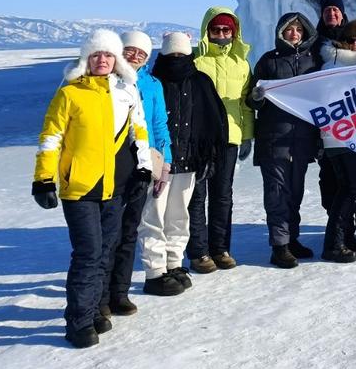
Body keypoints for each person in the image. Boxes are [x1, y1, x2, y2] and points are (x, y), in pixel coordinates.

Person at [32, 29, 152, 348]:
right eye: (96, 54)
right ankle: (78, 321)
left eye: (108, 55)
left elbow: (139, 131)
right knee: (88, 254)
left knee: (106, 251)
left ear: (116, 60)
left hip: (113, 187)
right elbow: (51, 137)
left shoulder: (125, 91)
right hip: (79, 188)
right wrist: (43, 179)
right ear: (86, 58)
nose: (102, 60)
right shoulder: (70, 93)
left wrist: (144, 168)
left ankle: (97, 309)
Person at [143, 31, 228, 295]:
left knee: (179, 217)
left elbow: (214, 120)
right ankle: (155, 270)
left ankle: (174, 264)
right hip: (159, 163)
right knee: (153, 217)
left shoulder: (200, 81)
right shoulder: (154, 81)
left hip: (189, 160)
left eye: (181, 53)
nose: (176, 58)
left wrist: (209, 154)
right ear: (163, 54)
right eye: (172, 54)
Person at [103, 30, 172, 317]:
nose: (135, 56)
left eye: (141, 53)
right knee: (109, 231)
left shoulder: (152, 84)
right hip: (110, 163)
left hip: (144, 162)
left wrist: (164, 163)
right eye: (130, 50)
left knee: (130, 228)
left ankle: (119, 292)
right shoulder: (105, 80)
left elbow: (159, 124)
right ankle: (101, 296)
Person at [248, 11, 322, 269]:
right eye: (289, 29)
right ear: (281, 32)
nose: (294, 34)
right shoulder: (269, 61)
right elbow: (251, 99)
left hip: (301, 139)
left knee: (295, 192)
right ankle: (279, 246)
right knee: (277, 193)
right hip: (274, 138)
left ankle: (292, 239)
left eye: (299, 30)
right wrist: (257, 97)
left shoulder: (313, 63)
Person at [187, 7, 252, 272]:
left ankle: (220, 248)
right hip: (199, 139)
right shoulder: (195, 60)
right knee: (197, 195)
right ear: (208, 31)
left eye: (227, 30)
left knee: (223, 195)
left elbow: (245, 104)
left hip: (230, 138)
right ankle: (199, 252)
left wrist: (247, 136)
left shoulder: (242, 63)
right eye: (216, 29)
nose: (222, 34)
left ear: (234, 33)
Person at [315, 0, 356, 239]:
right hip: (332, 124)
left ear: (342, 14)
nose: (331, 14)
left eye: (336, 10)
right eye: (327, 10)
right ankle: (342, 229)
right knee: (331, 177)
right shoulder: (316, 42)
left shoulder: (355, 38)